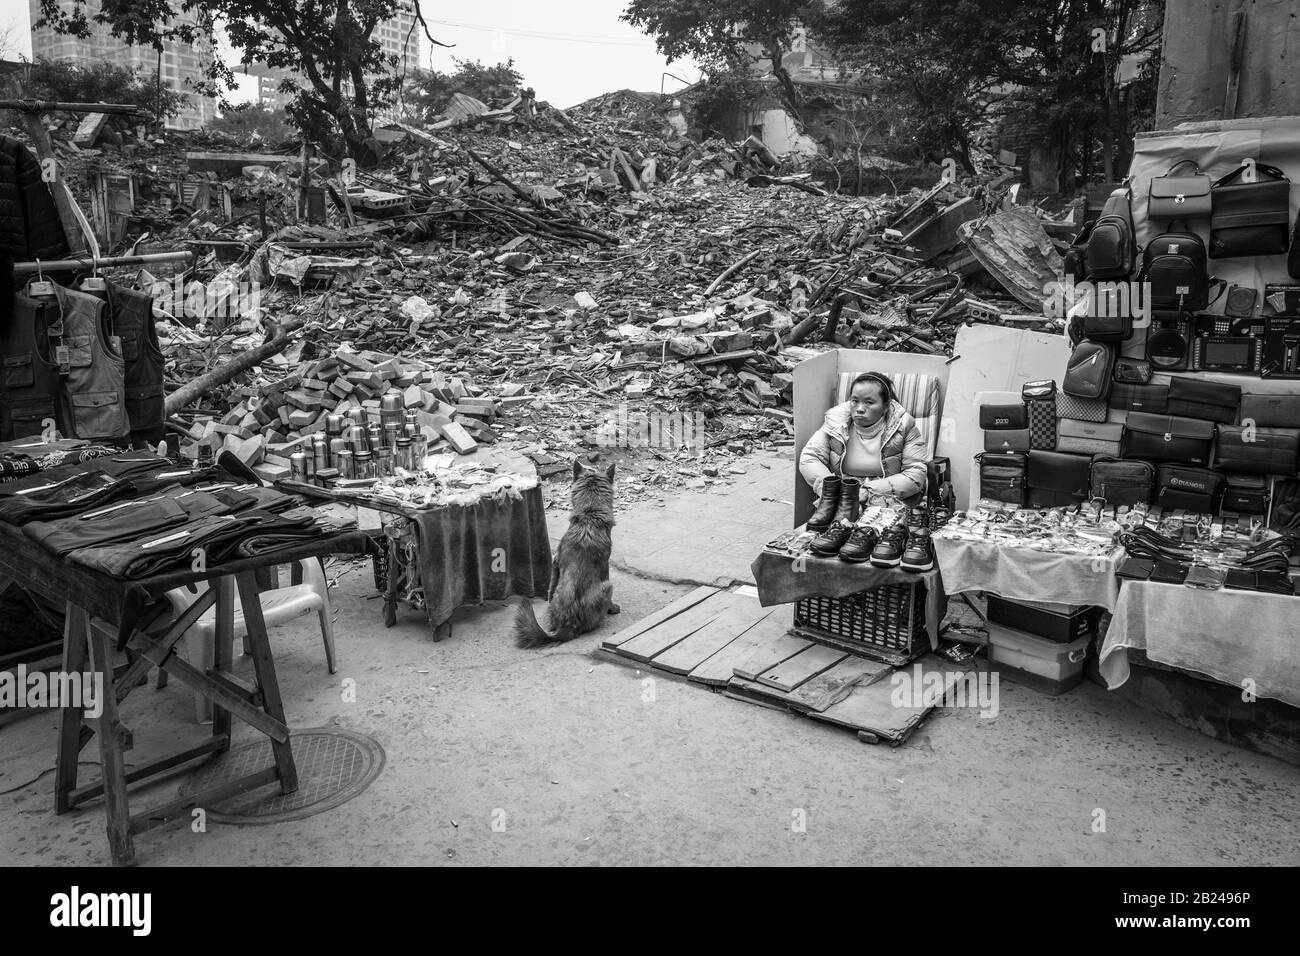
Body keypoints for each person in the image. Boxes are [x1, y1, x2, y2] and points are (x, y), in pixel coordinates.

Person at [798, 372, 932, 567]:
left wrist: (867, 491)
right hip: (843, 503)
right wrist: (832, 489)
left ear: (886, 406)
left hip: (888, 504)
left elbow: (915, 475)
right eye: (855, 401)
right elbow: (810, 458)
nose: (859, 409)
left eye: (869, 403)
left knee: (868, 552)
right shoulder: (836, 423)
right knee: (822, 551)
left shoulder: (904, 426)